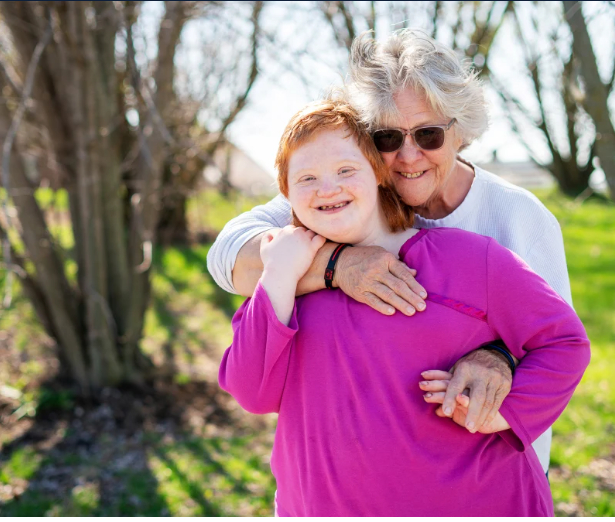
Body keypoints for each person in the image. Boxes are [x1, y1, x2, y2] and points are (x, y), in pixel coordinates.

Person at [207, 29, 574, 473]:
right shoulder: (343, 195)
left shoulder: (518, 218)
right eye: (386, 138)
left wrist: (498, 356)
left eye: (429, 135)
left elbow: (555, 342)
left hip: (485, 474)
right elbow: (226, 256)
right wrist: (336, 266)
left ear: (461, 132)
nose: (407, 156)